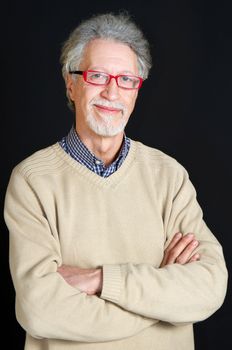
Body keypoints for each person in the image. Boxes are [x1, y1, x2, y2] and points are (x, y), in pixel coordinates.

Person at [4, 12, 228, 350]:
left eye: (126, 79)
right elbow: (39, 309)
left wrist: (101, 281)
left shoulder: (169, 176)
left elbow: (210, 286)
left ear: (137, 91)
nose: (112, 92)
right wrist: (161, 300)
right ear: (71, 83)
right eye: (97, 76)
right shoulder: (32, 181)